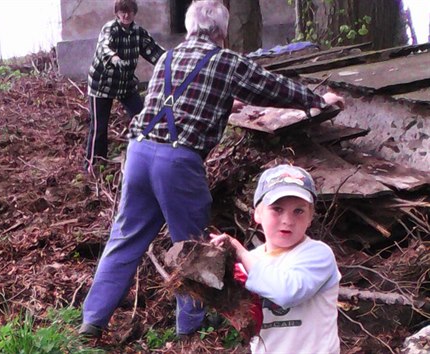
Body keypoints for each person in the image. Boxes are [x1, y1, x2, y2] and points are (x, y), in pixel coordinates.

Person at [79, 0, 345, 339]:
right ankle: (191, 326)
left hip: (138, 154)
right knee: (192, 244)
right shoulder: (226, 61)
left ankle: (92, 321)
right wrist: (317, 99)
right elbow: (271, 87)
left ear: (190, 28)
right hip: (177, 163)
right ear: (221, 31)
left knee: (125, 238)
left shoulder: (166, 57)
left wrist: (222, 102)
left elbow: (168, 100)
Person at [210, 164, 341, 353]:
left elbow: (287, 292)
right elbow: (243, 317)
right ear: (258, 213)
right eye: (277, 209)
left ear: (311, 217)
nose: (287, 220)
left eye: (299, 211)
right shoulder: (250, 260)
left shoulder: (318, 255)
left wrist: (240, 253)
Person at [84, 0, 165, 172]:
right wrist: (114, 58)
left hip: (126, 84)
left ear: (134, 13)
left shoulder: (138, 33)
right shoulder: (110, 29)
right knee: (99, 127)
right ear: (117, 13)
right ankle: (93, 165)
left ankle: (147, 158)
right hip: (102, 85)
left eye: (129, 12)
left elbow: (155, 52)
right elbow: (103, 46)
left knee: (143, 119)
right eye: (122, 12)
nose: (126, 15)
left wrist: (173, 61)